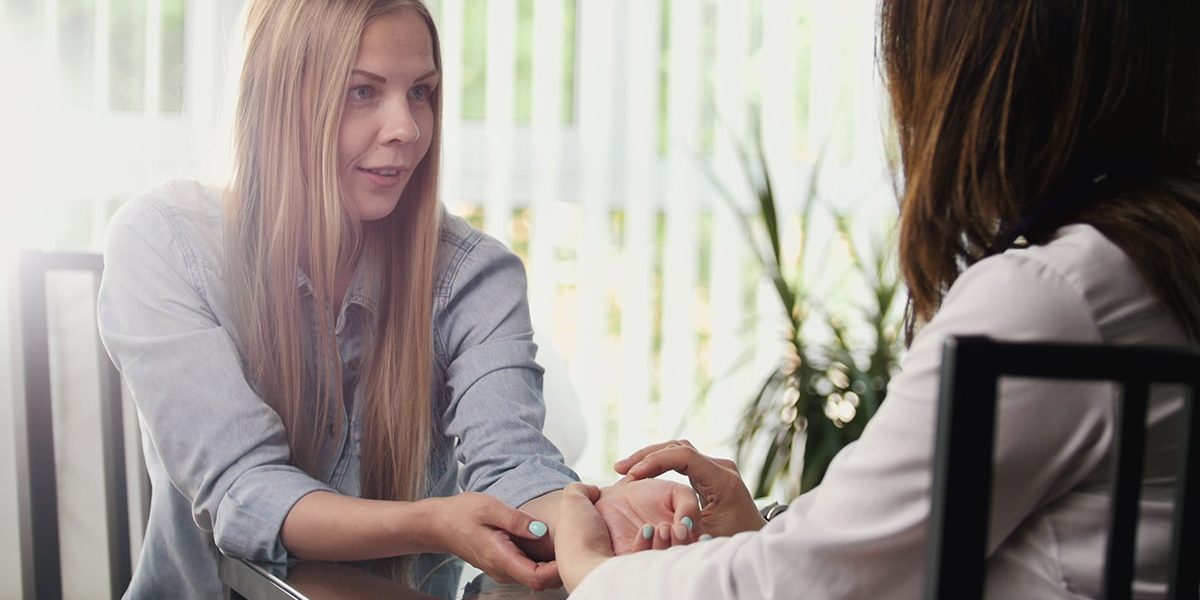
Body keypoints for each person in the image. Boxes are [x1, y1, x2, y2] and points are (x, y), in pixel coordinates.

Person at [554, 0, 1200, 597]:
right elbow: (854, 557)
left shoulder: (1051, 300)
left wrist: (594, 574)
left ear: (975, 68)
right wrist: (758, 534)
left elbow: (821, 581)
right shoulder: (1152, 260)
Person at [97, 1, 699, 597]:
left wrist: (595, 516)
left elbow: (514, 466)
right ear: (279, 101)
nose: (407, 128)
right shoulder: (164, 245)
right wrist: (433, 523)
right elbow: (248, 494)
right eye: (363, 92)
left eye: (421, 92)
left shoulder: (472, 276)